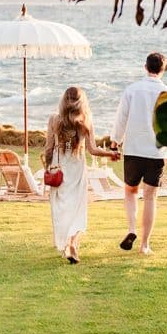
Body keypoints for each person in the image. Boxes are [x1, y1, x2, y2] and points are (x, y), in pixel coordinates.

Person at [111, 52, 167, 255]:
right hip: (157, 152)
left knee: (130, 192)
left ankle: (132, 229)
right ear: (163, 69)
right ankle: (144, 245)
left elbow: (121, 118)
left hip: (133, 149)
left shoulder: (132, 90)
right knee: (150, 197)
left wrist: (115, 142)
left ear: (145, 67)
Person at [43, 86, 120, 264]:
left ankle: (68, 244)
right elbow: (93, 150)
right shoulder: (86, 122)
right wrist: (111, 154)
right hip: (77, 168)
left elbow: (48, 148)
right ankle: (72, 243)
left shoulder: (54, 120)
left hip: (58, 167)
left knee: (61, 207)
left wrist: (48, 168)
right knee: (77, 207)